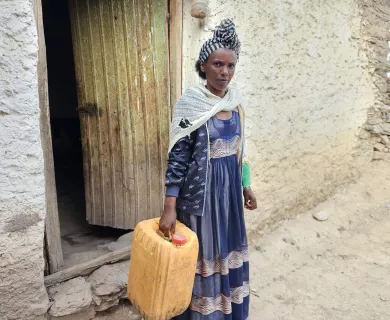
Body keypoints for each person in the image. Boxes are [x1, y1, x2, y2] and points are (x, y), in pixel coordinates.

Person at [159, 18, 257, 320]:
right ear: (203, 65)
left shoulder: (236, 103)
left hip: (229, 201)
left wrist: (246, 185)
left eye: (230, 66)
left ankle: (228, 312)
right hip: (201, 202)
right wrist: (169, 206)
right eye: (217, 64)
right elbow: (178, 159)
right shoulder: (191, 105)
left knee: (228, 254)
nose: (224, 72)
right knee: (202, 258)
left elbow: (240, 152)